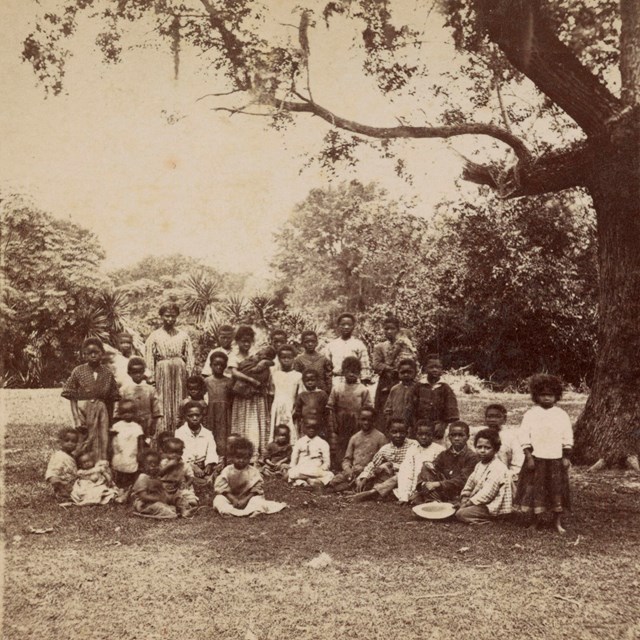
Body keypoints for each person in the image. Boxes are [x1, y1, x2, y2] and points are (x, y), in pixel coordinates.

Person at [514, 374, 573, 533]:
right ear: (536, 396)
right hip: (537, 459)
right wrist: (528, 455)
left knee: (557, 490)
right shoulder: (531, 414)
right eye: (543, 394)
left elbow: (567, 435)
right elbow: (524, 435)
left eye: (550, 395)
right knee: (535, 490)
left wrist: (566, 456)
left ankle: (557, 522)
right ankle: (535, 521)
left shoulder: (561, 415)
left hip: (556, 459)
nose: (546, 398)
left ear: (556, 396)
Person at [61, 337, 120, 461]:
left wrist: (111, 420)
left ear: (102, 354)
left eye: (96, 352)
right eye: (89, 353)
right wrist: (76, 417)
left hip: (101, 410)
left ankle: (100, 464)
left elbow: (112, 397)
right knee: (84, 437)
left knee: (102, 438)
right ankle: (81, 464)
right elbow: (71, 395)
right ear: (84, 355)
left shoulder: (107, 373)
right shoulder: (78, 371)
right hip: (83, 409)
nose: (93, 355)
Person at [145, 302, 195, 436]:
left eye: (173, 316)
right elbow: (149, 360)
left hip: (180, 374)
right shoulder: (154, 336)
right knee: (163, 405)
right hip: (163, 374)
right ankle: (163, 438)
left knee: (180, 404)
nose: (170, 319)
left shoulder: (183, 336)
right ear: (161, 316)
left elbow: (190, 359)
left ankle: (180, 437)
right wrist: (152, 380)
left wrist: (189, 378)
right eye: (167, 316)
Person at [213, 437, 287, 517]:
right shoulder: (227, 470)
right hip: (231, 498)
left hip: (249, 498)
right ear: (232, 457)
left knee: (257, 501)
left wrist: (246, 499)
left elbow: (257, 488)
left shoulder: (253, 471)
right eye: (238, 457)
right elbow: (221, 488)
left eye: (245, 458)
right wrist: (233, 499)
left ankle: (254, 511)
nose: (241, 460)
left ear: (250, 458)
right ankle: (228, 511)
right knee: (218, 499)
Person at [229, 326, 272, 460]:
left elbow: (267, 365)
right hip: (242, 396)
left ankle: (256, 452)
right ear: (237, 341)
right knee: (243, 422)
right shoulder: (233, 356)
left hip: (256, 395)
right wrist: (251, 380)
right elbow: (234, 372)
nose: (246, 344)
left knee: (255, 423)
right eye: (243, 341)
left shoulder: (256, 355)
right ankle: (242, 452)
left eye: (248, 341)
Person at [413, 420, 479, 504]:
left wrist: (438, 484)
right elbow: (433, 467)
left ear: (467, 437)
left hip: (458, 491)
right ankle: (433, 500)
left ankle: (432, 501)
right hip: (444, 489)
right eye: (453, 435)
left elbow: (463, 480)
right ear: (449, 437)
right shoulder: (444, 454)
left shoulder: (472, 457)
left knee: (420, 498)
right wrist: (426, 481)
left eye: (461, 435)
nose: (456, 438)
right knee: (426, 467)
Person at [350, 420, 417, 502]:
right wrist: (364, 478)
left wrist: (395, 466)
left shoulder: (413, 445)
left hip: (407, 477)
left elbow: (415, 465)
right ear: (388, 432)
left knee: (400, 475)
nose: (398, 435)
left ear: (407, 433)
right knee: (377, 472)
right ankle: (375, 491)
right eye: (394, 432)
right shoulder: (385, 449)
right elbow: (373, 464)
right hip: (389, 479)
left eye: (402, 432)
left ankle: (372, 492)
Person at [455, 429, 512, 525]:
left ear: (495, 449)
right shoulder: (479, 465)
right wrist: (464, 498)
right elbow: (470, 484)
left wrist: (467, 504)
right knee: (455, 508)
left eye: (487, 448)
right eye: (479, 447)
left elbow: (487, 494)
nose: (482, 451)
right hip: (480, 503)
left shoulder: (498, 467)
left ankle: (492, 521)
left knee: (461, 514)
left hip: (493, 506)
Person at [327, 356, 373, 470]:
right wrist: (333, 423)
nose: (352, 374)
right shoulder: (337, 388)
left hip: (356, 423)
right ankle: (339, 467)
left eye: (355, 372)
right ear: (343, 372)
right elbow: (331, 407)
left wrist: (363, 423)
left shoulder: (363, 389)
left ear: (359, 373)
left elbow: (368, 408)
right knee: (341, 444)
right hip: (341, 422)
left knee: (356, 443)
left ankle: (354, 467)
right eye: (349, 371)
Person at [327, 407, 387, 493]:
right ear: (359, 420)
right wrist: (348, 469)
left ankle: (352, 488)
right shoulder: (354, 438)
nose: (366, 422)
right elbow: (346, 459)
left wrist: (369, 471)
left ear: (374, 420)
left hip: (369, 473)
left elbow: (384, 460)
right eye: (363, 419)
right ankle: (349, 486)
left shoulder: (381, 437)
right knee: (334, 482)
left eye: (369, 420)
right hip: (354, 471)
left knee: (367, 484)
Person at [372, 315, 416, 429]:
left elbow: (412, 360)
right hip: (386, 382)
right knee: (384, 411)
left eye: (392, 329)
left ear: (398, 330)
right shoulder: (380, 347)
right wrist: (390, 368)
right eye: (386, 329)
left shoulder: (405, 344)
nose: (389, 331)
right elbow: (376, 365)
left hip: (403, 380)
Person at [471, 404, 524, 486]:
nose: (493, 420)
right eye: (489, 417)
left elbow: (518, 462)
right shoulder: (482, 436)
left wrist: (508, 476)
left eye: (497, 417)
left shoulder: (510, 437)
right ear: (485, 419)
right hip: (483, 477)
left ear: (504, 419)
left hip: (505, 478)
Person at [409, 354, 459, 440]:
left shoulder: (445, 388)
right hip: (419, 427)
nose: (435, 370)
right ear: (425, 369)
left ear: (442, 370)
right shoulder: (418, 387)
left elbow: (451, 410)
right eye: (431, 367)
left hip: (437, 428)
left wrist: (443, 425)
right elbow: (411, 407)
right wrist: (414, 426)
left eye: (438, 367)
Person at [395, 422, 445, 503]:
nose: (424, 437)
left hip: (431, 486)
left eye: (428, 434)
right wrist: (404, 496)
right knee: (404, 470)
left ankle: (427, 498)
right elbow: (407, 472)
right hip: (414, 487)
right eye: (420, 434)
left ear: (433, 435)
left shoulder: (440, 450)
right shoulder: (412, 449)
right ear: (415, 435)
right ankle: (410, 495)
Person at [118, 356, 163, 440]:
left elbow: (156, 410)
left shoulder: (150, 389)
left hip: (147, 423)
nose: (138, 375)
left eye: (140, 372)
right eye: (134, 372)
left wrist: (153, 425)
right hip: (129, 423)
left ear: (144, 372)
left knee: (145, 444)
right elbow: (118, 411)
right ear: (129, 373)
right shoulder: (124, 390)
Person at [174, 402, 219, 484]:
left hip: (203, 466)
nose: (194, 418)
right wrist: (192, 466)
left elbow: (211, 451)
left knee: (219, 467)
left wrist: (209, 464)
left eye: (197, 415)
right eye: (190, 416)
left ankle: (205, 481)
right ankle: (199, 482)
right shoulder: (179, 433)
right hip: (187, 465)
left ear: (202, 416)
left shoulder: (207, 433)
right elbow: (180, 454)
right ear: (185, 417)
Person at [324, 313, 372, 384]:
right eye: (343, 324)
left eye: (349, 325)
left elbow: (364, 367)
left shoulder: (359, 345)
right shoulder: (331, 345)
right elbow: (327, 367)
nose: (346, 327)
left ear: (353, 326)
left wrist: (362, 384)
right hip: (336, 382)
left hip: (354, 383)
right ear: (338, 326)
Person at [109, 399, 145, 491]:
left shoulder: (136, 426)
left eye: (130, 412)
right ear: (120, 413)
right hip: (120, 451)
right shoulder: (117, 425)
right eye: (124, 412)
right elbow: (112, 438)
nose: (127, 415)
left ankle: (130, 487)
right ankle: (119, 486)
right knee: (119, 467)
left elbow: (140, 440)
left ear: (134, 413)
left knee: (131, 468)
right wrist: (112, 449)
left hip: (131, 450)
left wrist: (140, 452)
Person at [288, 417, 334, 488]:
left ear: (318, 428)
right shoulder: (299, 442)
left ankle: (302, 482)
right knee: (291, 472)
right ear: (304, 428)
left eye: (314, 428)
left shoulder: (323, 443)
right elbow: (294, 460)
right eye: (308, 427)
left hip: (315, 470)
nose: (311, 430)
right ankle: (309, 481)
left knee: (330, 475)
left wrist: (322, 469)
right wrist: (293, 467)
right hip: (301, 469)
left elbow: (327, 463)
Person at [131, 450, 178, 519]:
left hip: (154, 502)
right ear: (142, 467)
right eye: (149, 463)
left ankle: (169, 512)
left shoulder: (156, 478)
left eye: (156, 464)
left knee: (172, 507)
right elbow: (143, 496)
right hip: (144, 504)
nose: (153, 465)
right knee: (160, 507)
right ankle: (164, 514)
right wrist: (158, 499)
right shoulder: (143, 477)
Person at [158, 437, 199, 517]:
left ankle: (188, 505)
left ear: (182, 453)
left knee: (187, 495)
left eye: (177, 453)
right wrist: (168, 466)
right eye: (171, 452)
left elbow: (191, 476)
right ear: (166, 453)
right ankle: (170, 507)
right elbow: (159, 474)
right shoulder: (162, 463)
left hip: (179, 487)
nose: (174, 455)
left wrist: (187, 483)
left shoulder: (184, 464)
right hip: (165, 487)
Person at [269, 344, 302, 440]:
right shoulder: (275, 375)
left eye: (289, 357)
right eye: (283, 357)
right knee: (277, 429)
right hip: (277, 406)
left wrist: (296, 409)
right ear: (278, 359)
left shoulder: (298, 376)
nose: (286, 360)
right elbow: (271, 393)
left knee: (291, 430)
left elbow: (299, 395)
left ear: (294, 358)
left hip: (291, 406)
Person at [204, 352, 233, 458]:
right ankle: (211, 457)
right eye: (216, 364)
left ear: (225, 366)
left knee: (224, 434)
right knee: (211, 433)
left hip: (225, 412)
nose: (218, 367)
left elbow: (232, 398)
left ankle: (223, 458)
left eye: (221, 365)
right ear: (211, 365)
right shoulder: (206, 381)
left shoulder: (229, 381)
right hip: (211, 411)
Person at [383, 358, 418, 434]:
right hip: (397, 426)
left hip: (413, 426)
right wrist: (389, 419)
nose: (406, 375)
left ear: (415, 373)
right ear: (398, 373)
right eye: (403, 372)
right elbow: (388, 407)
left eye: (409, 372)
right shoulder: (394, 389)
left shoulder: (418, 388)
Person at [45, 428, 80, 502]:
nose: (70, 443)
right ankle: (62, 495)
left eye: (74, 441)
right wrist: (59, 484)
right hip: (63, 484)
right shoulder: (59, 456)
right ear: (60, 442)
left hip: (73, 483)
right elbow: (52, 473)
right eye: (67, 441)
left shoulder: (72, 456)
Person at [292, 370, 329, 436]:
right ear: (303, 382)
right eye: (307, 380)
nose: (310, 382)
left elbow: (326, 411)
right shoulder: (302, 395)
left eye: (312, 380)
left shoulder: (322, 394)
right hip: (306, 424)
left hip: (319, 423)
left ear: (317, 381)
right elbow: (298, 410)